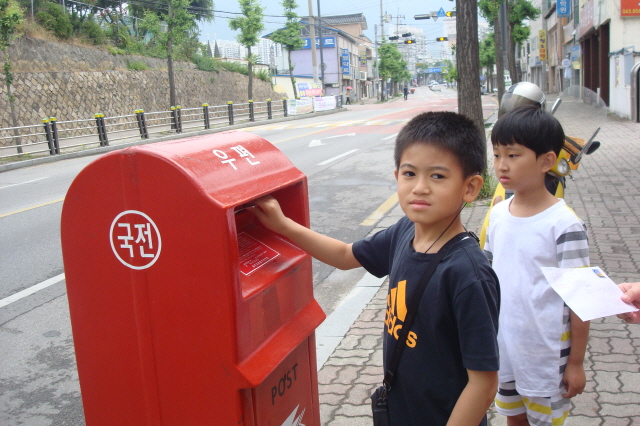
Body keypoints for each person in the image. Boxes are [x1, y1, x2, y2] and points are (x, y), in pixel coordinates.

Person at [250, 111, 500, 426]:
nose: (420, 188)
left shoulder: (468, 275)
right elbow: (344, 255)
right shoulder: (404, 232)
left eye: (437, 176)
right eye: (410, 174)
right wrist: (284, 226)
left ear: (470, 187)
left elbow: (483, 383)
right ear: (397, 176)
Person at [484, 105, 591, 426]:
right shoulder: (499, 214)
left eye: (513, 156)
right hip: (504, 349)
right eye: (497, 155)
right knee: (513, 419)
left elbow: (581, 299)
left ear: (546, 161)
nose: (501, 166)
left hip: (545, 357)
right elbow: (487, 279)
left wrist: (576, 363)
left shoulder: (564, 225)